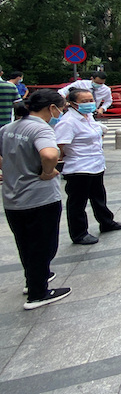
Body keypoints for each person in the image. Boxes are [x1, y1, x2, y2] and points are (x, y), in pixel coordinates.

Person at [0, 90, 72, 309]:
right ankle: (38, 293)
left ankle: (33, 279)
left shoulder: (9, 128)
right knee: (43, 244)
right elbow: (50, 155)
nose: (61, 112)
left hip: (13, 197)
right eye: (61, 107)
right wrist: (47, 172)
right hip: (39, 198)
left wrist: (8, 169)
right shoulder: (40, 128)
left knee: (25, 242)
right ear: (51, 108)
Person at [55, 88, 121, 245]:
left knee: (98, 196)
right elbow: (59, 146)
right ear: (73, 104)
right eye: (84, 101)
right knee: (77, 203)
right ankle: (79, 233)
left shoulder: (87, 116)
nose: (89, 104)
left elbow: (98, 131)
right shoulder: (68, 122)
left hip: (96, 164)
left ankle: (106, 222)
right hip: (78, 167)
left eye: (91, 100)